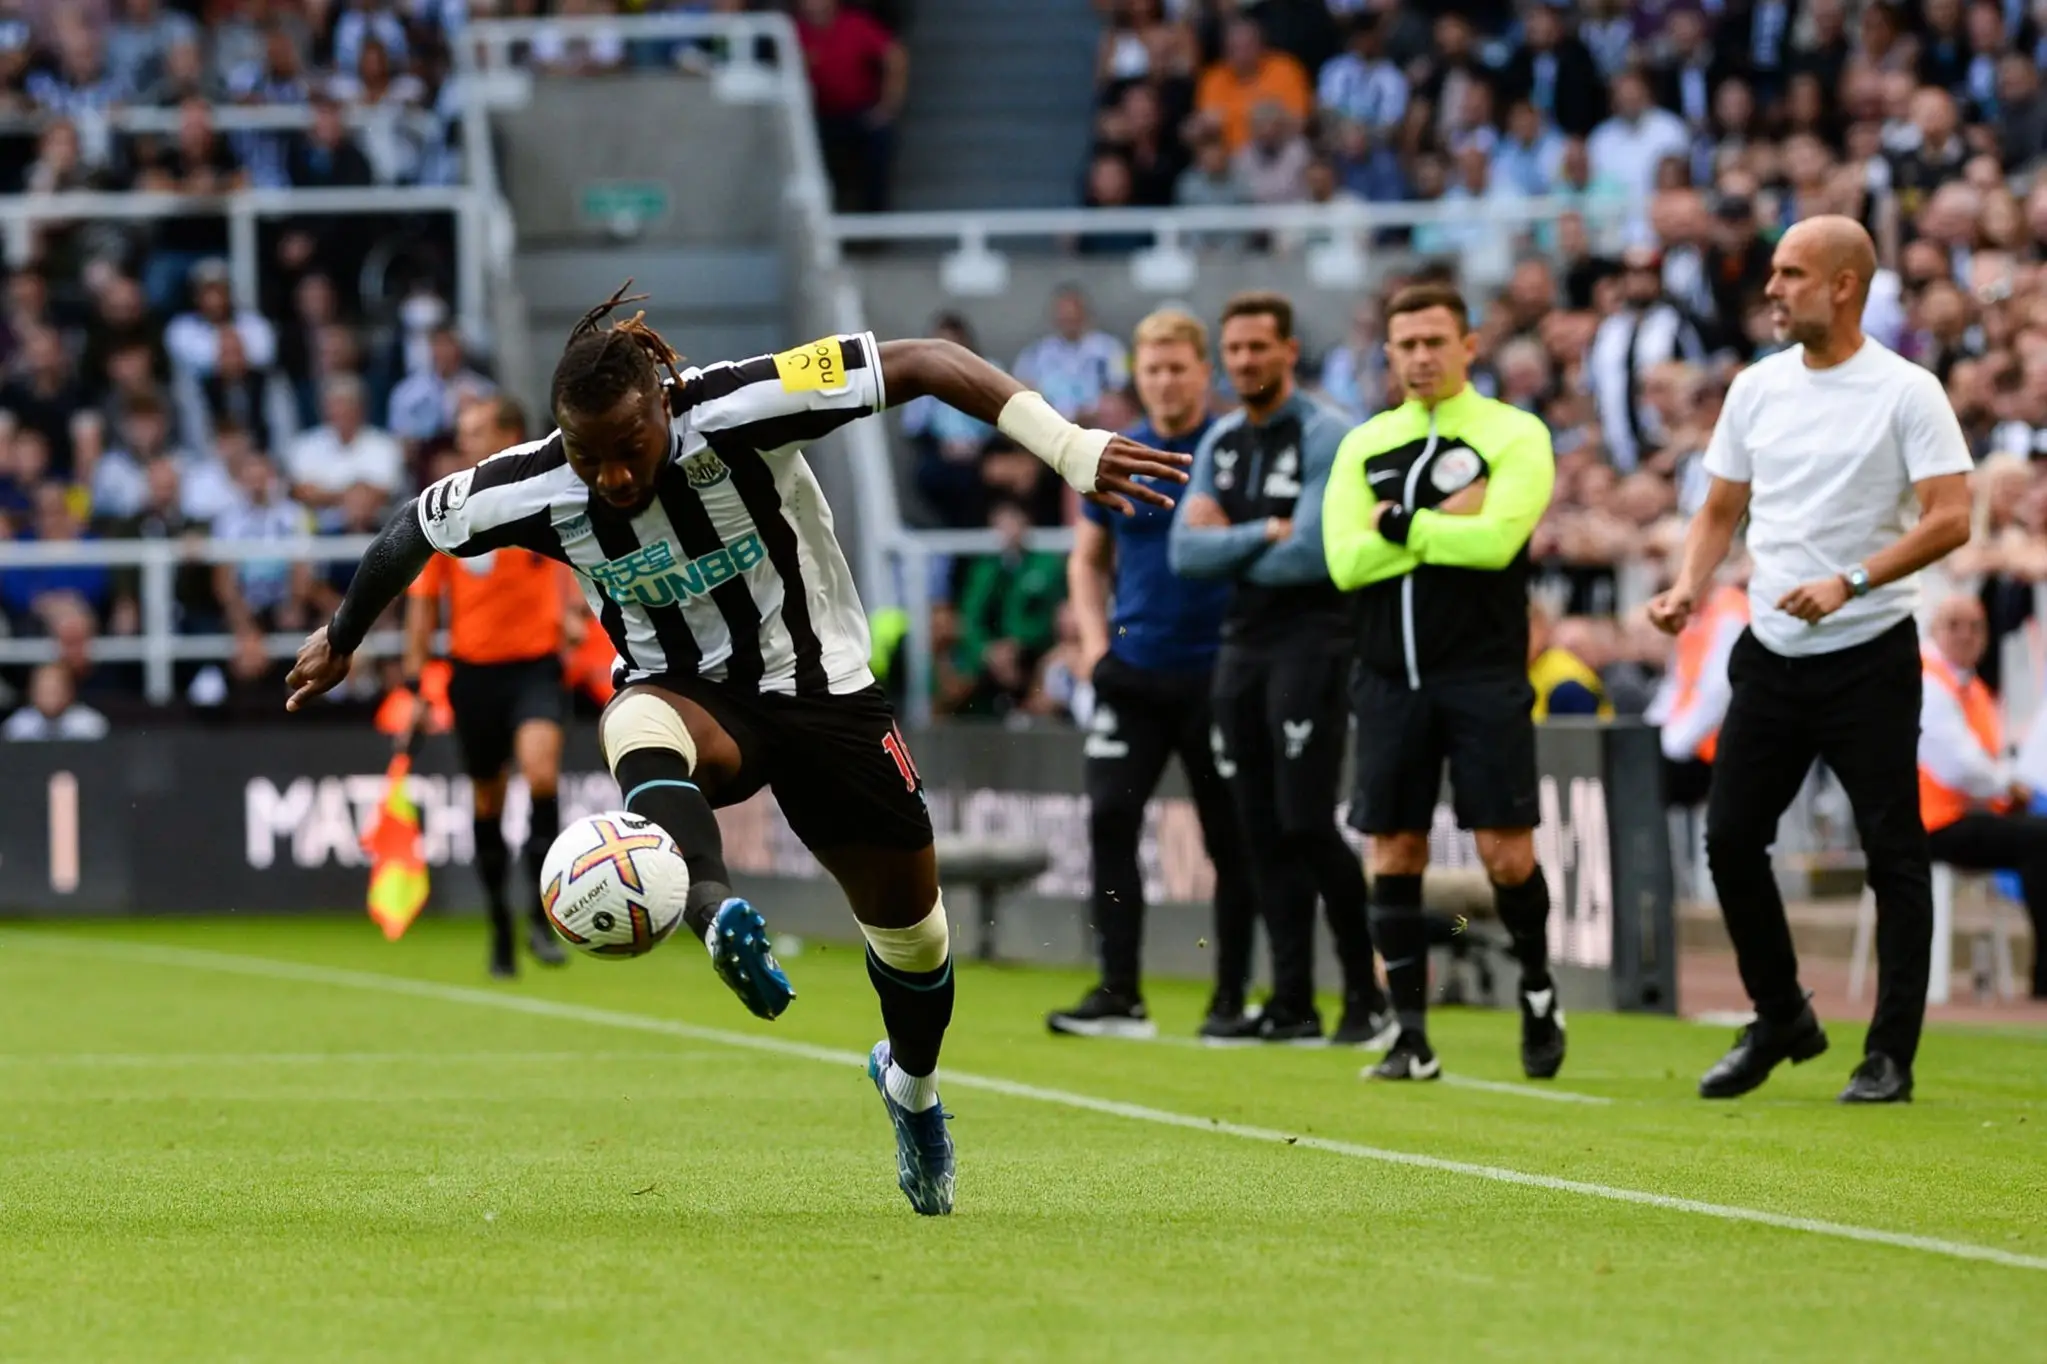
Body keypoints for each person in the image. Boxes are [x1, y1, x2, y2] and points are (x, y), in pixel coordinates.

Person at [284, 283, 1188, 1216]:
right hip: (690, 696)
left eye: (629, 451)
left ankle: (909, 1088)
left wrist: (1071, 448)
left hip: (824, 691)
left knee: (915, 943)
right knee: (633, 719)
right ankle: (713, 912)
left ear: (664, 407)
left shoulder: (746, 402)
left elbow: (921, 361)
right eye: (591, 459)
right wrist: (343, 638)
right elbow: (410, 531)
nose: (614, 479)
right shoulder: (537, 483)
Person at [1648, 216, 1973, 1105]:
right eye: (1772, 273)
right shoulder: (1755, 388)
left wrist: (1852, 581)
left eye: (1790, 273)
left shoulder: (1907, 391)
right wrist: (1685, 584)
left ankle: (1888, 1056)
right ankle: (1781, 1013)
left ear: (1842, 285)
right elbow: (1720, 509)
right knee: (1727, 839)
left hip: (1867, 653)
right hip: (1772, 652)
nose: (1770, 289)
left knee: (1891, 852)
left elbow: (1951, 516)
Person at [1322, 282, 1563, 1083]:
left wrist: (1394, 522)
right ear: (1387, 353)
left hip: (1483, 676)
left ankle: (1536, 990)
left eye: (1435, 341)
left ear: (1470, 344)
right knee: (1393, 848)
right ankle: (1411, 1036)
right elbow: (1344, 562)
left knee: (1505, 855)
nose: (1421, 356)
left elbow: (1497, 543)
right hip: (1388, 678)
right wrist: (1439, 525)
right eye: (1406, 344)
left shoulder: (1513, 432)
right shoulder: (1364, 443)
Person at [1169, 292, 1389, 1045]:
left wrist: (1232, 536)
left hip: (1312, 640)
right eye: (1233, 351)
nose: (1244, 363)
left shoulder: (1330, 433)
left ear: (1289, 352)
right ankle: (1291, 1001)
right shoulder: (1222, 439)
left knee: (1304, 821)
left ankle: (1365, 993)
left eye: (1258, 348)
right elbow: (1182, 553)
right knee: (1257, 829)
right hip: (1240, 647)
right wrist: (1262, 530)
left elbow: (1316, 551)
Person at [1045, 308, 1257, 1039]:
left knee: (1230, 838)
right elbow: (1086, 558)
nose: (1165, 381)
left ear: (1204, 372)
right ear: (1137, 374)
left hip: (1218, 673)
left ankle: (1230, 999)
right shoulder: (1115, 451)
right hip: (1133, 672)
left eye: (1178, 368)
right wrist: (1095, 648)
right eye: (1153, 368)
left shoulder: (1231, 448)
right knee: (1108, 819)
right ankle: (1118, 992)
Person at [399, 395, 578, 978]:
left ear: (508, 435)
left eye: (474, 431)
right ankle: (501, 922)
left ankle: (539, 917)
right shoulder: (452, 507)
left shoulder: (547, 494)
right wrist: (417, 685)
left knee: (543, 776)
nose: (464, 442)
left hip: (534, 667)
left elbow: (572, 571)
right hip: (472, 676)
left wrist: (574, 619)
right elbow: (424, 610)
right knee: (488, 802)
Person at [1914, 594, 2047, 1000]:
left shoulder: (1972, 689)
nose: (1966, 635)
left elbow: (1994, 758)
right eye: (1954, 625)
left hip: (1964, 813)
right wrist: (2011, 787)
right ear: (1934, 630)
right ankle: (2044, 972)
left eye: (1975, 626)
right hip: (1930, 822)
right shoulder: (1929, 681)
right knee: (2040, 840)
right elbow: (1960, 767)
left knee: (2036, 838)